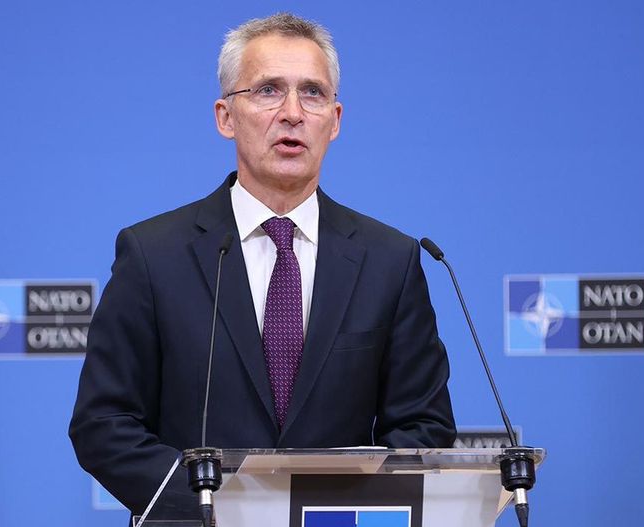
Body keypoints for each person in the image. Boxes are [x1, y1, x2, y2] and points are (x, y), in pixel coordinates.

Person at [69, 12, 455, 518]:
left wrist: (331, 510)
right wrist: (219, 508)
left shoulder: (391, 260)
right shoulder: (153, 254)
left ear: (335, 120)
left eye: (312, 93)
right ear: (225, 116)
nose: (292, 113)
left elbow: (424, 427)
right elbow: (104, 423)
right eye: (268, 90)